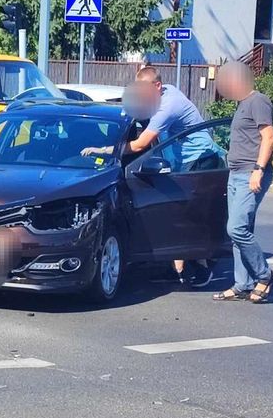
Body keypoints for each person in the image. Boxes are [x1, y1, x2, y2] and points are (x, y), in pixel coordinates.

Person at [83, 66, 215, 286]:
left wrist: (106, 150)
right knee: (175, 211)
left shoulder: (167, 106)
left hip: (200, 159)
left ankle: (201, 267)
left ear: (157, 86)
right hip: (182, 160)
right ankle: (178, 268)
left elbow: (141, 144)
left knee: (185, 214)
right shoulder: (166, 92)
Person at [212, 61, 273, 304]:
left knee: (236, 228)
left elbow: (268, 137)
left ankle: (264, 275)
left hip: (250, 173)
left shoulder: (258, 101)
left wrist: (258, 170)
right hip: (236, 173)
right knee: (241, 232)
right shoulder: (242, 104)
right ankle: (243, 284)